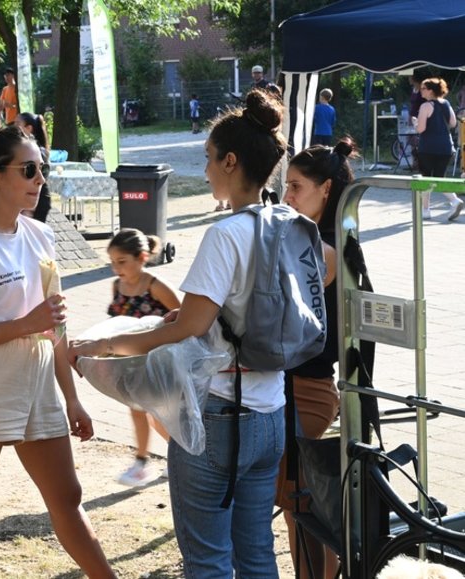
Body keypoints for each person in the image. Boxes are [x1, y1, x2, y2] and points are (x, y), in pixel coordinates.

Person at [69, 89, 288, 578]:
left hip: (221, 414)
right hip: (272, 410)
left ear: (231, 161)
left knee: (208, 559)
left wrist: (101, 347)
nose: (207, 169)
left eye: (209, 159)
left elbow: (190, 326)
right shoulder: (290, 224)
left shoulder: (227, 234)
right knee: (256, 555)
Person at [0, 119, 115, 579]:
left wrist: (72, 397)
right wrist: (22, 325)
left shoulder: (39, 235)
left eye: (43, 168)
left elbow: (54, 323)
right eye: (29, 170)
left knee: (68, 499)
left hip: (37, 387)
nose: (41, 180)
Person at [278, 139, 357, 579]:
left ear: (325, 188)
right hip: (295, 386)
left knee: (300, 503)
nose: (287, 196)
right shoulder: (322, 238)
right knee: (297, 504)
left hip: (305, 391)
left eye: (295, 186)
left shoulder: (323, 247)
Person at [105, 228, 180, 487]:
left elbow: (182, 316)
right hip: (130, 361)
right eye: (113, 262)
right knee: (138, 410)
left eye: (122, 262)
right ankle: (146, 461)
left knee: (156, 414)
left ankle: (166, 458)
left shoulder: (155, 286)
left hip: (158, 361)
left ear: (142, 257)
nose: (116, 268)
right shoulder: (117, 285)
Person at [416, 77, 463, 221]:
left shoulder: (425, 106)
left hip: (428, 147)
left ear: (430, 91)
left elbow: (421, 129)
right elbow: (454, 123)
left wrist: (415, 124)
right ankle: (451, 202)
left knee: (426, 178)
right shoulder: (446, 103)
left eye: (423, 88)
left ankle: (429, 209)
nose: (420, 91)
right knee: (438, 177)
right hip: (446, 147)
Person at [14, 112, 51, 222]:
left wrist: (28, 209)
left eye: (17, 123)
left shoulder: (35, 152)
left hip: (36, 203)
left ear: (28, 128)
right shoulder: (32, 149)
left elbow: (34, 180)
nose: (13, 126)